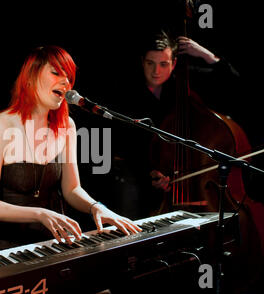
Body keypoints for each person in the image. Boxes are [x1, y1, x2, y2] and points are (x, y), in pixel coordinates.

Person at [0, 45, 141, 254]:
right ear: (30, 77)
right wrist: (39, 214)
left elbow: (71, 189)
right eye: (56, 73)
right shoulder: (0, 126)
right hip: (1, 246)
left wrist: (96, 206)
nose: (65, 83)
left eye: (69, 78)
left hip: (48, 242)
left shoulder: (66, 125)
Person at [101, 30, 240, 219]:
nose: (156, 71)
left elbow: (233, 82)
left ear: (174, 63)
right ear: (142, 62)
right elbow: (123, 142)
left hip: (188, 177)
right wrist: (151, 172)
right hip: (138, 170)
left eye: (163, 64)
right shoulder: (126, 92)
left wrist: (205, 55)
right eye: (150, 63)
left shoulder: (184, 81)